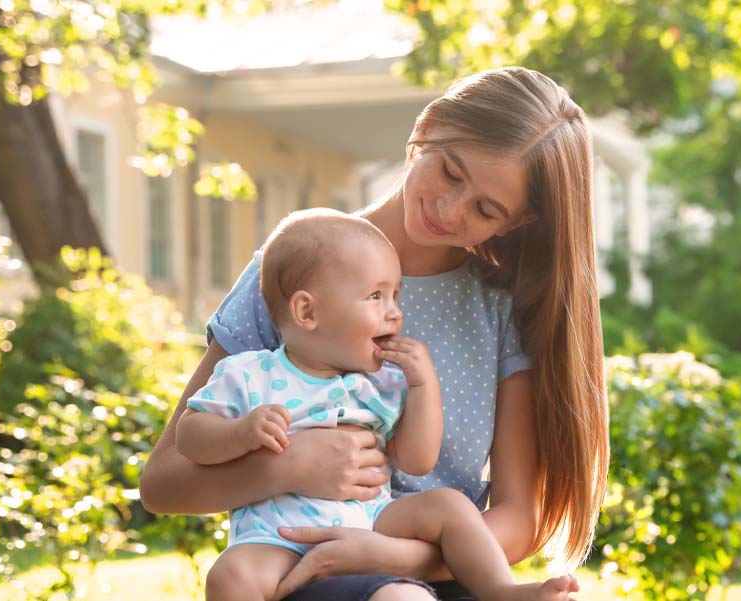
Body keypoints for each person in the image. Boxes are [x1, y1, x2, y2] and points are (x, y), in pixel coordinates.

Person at [139, 66, 609, 601]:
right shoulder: (295, 266)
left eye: (485, 209)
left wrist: (395, 556)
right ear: (428, 127)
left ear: (518, 222)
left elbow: (520, 518)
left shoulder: (497, 307)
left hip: (449, 579)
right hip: (298, 572)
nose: (448, 209)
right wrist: (286, 467)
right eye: (450, 172)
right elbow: (164, 482)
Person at [177, 209, 580, 601]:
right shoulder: (250, 374)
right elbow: (189, 436)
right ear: (307, 310)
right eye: (375, 296)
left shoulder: (378, 384)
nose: (395, 312)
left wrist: (424, 385)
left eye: (395, 295)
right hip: (279, 535)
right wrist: (240, 433)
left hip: (371, 522)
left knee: (451, 506)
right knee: (230, 576)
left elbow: (416, 460)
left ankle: (501, 591)